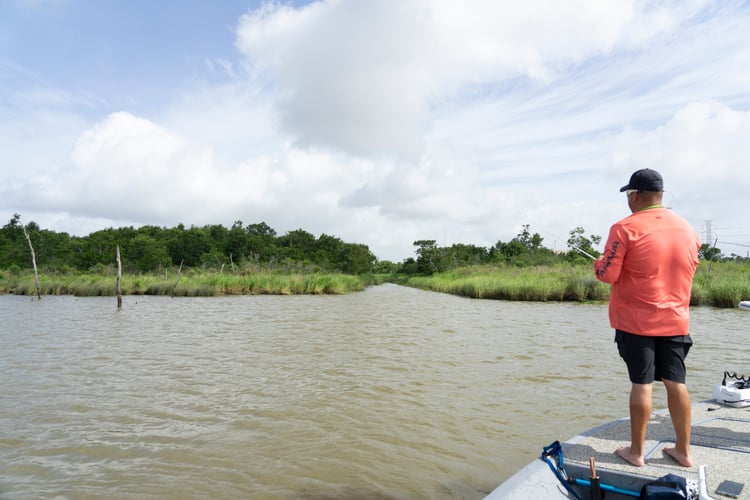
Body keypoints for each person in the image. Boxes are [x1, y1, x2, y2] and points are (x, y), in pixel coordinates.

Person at [594, 168, 701, 468]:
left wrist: (598, 265)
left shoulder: (624, 228)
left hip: (636, 322)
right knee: (676, 382)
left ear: (637, 195)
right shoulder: (688, 230)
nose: (628, 199)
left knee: (642, 383)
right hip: (677, 321)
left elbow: (608, 274)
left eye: (629, 194)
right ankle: (683, 452)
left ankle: (636, 453)